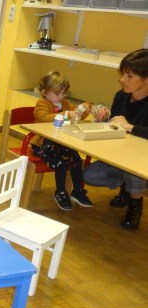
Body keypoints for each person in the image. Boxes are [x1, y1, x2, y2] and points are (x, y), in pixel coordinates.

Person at [85, 49, 148, 230]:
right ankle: (127, 189)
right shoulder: (121, 96)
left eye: (129, 76)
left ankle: (135, 205)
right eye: (123, 74)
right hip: (119, 156)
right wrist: (104, 121)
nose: (122, 80)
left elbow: (126, 127)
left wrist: (130, 127)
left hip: (142, 161)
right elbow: (115, 128)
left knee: (133, 168)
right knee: (90, 175)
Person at [32, 71, 93, 211]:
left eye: (63, 93)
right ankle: (60, 192)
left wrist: (83, 109)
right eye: (57, 93)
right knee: (61, 161)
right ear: (44, 92)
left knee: (77, 160)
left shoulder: (65, 103)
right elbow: (43, 117)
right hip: (43, 144)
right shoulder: (42, 103)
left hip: (61, 144)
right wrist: (65, 114)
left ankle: (78, 191)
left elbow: (77, 115)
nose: (61, 97)